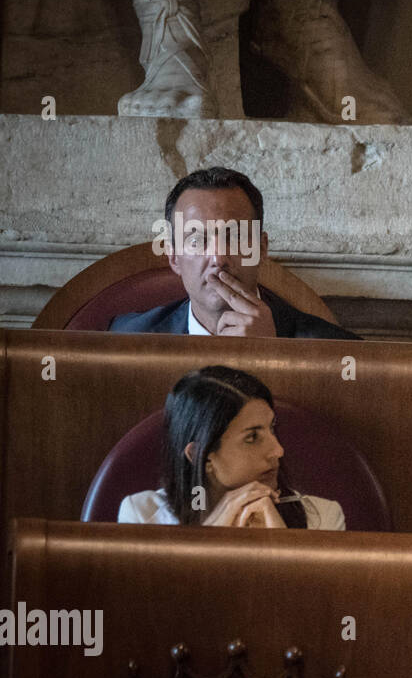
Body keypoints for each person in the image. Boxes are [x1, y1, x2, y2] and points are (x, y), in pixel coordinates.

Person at [109, 167, 360, 340]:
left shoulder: (334, 350)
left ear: (261, 249)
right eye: (197, 240)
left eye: (235, 236)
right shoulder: (126, 337)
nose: (218, 258)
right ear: (174, 257)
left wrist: (273, 358)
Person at [118, 365, 345, 529]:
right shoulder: (143, 515)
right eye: (252, 437)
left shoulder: (322, 518)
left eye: (272, 428)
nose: (278, 450)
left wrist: (280, 546)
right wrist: (216, 535)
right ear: (201, 455)